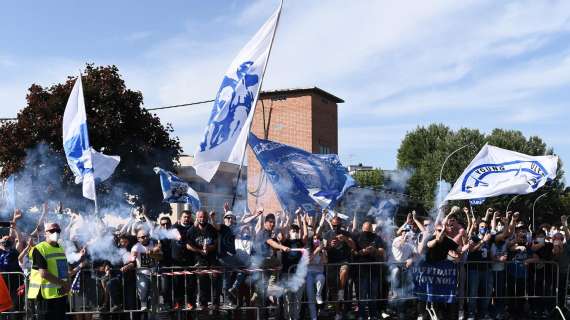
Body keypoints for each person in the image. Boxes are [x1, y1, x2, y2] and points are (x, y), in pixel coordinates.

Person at [27, 222, 70, 320]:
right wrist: (64, 284)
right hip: (45, 295)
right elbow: (43, 273)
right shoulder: (39, 248)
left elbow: (65, 269)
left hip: (60, 293)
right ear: (45, 233)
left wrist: (68, 284)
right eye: (52, 231)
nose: (55, 233)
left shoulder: (60, 248)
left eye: (58, 230)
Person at [323, 216, 356, 320]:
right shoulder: (327, 234)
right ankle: (338, 312)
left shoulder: (346, 233)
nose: (335, 227)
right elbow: (323, 249)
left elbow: (354, 246)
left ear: (341, 225)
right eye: (333, 225)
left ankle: (341, 290)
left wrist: (345, 239)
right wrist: (330, 245)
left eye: (337, 225)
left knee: (345, 270)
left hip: (343, 261)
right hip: (332, 263)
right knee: (333, 290)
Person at [186, 210, 220, 310]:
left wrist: (209, 249)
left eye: (204, 217)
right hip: (199, 260)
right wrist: (199, 250)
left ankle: (216, 303)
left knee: (215, 280)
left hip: (212, 259)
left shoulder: (212, 229)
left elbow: (215, 244)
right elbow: (188, 245)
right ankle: (203, 303)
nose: (202, 219)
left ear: (207, 218)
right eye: (200, 217)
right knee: (202, 281)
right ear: (197, 217)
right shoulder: (192, 230)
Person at [353, 220, 385, 320]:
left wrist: (374, 250)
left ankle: (373, 315)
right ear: (362, 228)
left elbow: (382, 251)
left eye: (369, 229)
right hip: (361, 270)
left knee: (373, 295)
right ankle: (362, 315)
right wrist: (361, 252)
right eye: (365, 230)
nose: (367, 232)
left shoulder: (377, 237)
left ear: (372, 228)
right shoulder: (357, 237)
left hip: (374, 270)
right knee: (362, 294)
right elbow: (353, 251)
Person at [131, 229, 161, 311]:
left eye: (147, 236)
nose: (145, 238)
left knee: (157, 292)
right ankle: (143, 305)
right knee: (143, 290)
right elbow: (132, 258)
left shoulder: (153, 244)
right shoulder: (136, 247)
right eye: (143, 237)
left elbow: (160, 257)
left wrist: (153, 254)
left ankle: (157, 307)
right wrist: (132, 258)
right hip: (142, 274)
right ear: (138, 238)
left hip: (154, 273)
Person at [171, 210, 196, 310]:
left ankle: (191, 302)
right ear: (180, 218)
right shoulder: (175, 227)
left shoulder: (193, 227)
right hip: (177, 260)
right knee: (178, 283)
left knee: (191, 284)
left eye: (188, 217)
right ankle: (178, 303)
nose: (186, 219)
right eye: (185, 217)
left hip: (190, 260)